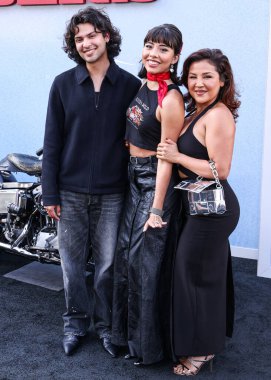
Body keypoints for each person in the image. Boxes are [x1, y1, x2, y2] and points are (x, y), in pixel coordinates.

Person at [41, 6, 141, 357]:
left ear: (106, 36)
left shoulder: (130, 85)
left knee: (108, 266)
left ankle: (106, 327)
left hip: (113, 194)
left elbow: (139, 139)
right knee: (70, 266)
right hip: (68, 193)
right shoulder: (63, 85)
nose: (85, 43)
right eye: (78, 39)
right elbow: (52, 143)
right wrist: (49, 192)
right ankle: (74, 324)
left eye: (91, 35)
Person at [157, 48, 240, 376]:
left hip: (214, 210)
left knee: (193, 275)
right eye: (192, 76)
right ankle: (204, 341)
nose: (198, 83)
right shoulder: (196, 112)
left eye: (207, 76)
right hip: (197, 205)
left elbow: (220, 168)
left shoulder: (218, 114)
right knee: (204, 275)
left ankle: (202, 351)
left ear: (222, 80)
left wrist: (177, 158)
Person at [112, 24, 184, 365]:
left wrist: (156, 209)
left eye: (163, 49)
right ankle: (124, 337)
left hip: (156, 183)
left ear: (175, 56)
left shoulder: (170, 99)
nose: (153, 53)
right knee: (126, 258)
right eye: (149, 45)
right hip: (134, 177)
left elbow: (167, 160)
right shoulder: (143, 85)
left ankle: (147, 349)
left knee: (145, 264)